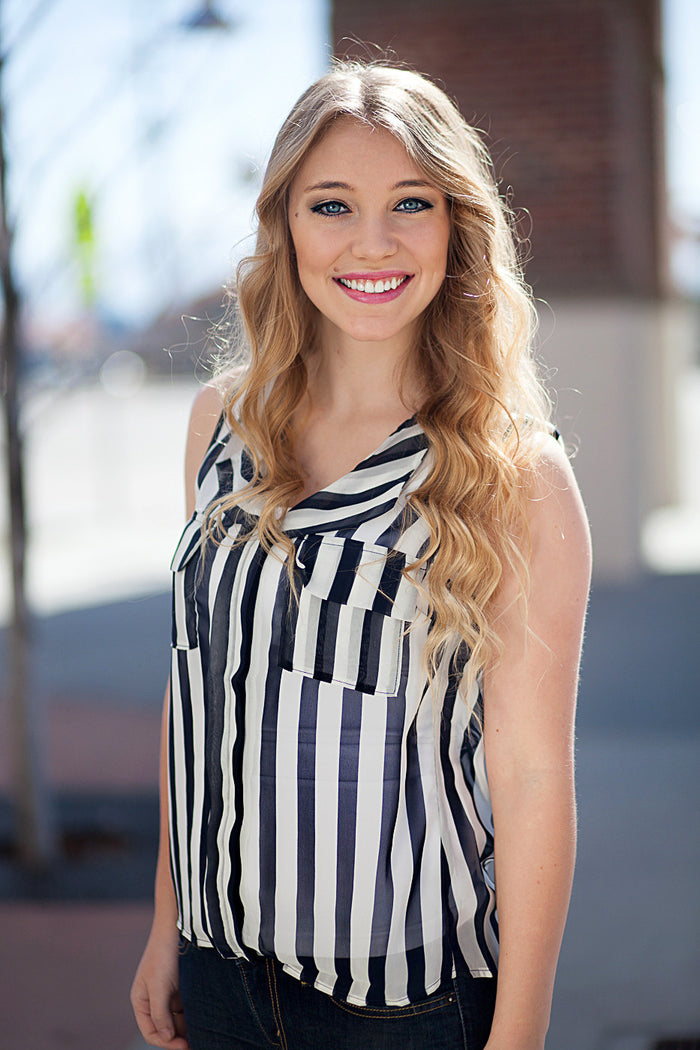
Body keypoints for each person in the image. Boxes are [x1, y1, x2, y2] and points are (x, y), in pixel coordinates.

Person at [131, 60, 591, 1050]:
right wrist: (166, 926)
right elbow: (197, 689)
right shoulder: (221, 425)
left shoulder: (513, 473)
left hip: (408, 1009)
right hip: (221, 979)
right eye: (331, 204)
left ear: (455, 224)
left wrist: (518, 1040)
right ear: (285, 225)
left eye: (410, 204)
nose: (371, 242)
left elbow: (530, 780)